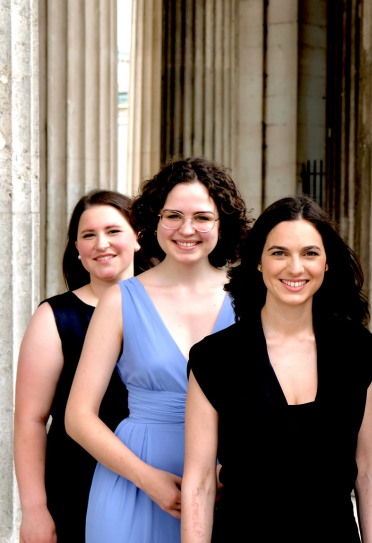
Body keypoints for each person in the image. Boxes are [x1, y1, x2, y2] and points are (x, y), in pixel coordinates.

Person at [66, 158, 251, 543]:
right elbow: (78, 417)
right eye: (173, 215)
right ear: (153, 220)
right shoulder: (120, 300)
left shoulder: (250, 300)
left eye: (202, 217)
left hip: (230, 486)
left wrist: (227, 473)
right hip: (134, 481)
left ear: (222, 224)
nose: (187, 229)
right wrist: (147, 479)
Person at [181, 196, 372, 543]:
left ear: (326, 263)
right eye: (279, 253)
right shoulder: (214, 358)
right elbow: (199, 480)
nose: (295, 268)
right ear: (258, 262)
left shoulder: (360, 350)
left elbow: (368, 468)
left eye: (309, 253)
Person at [14, 190, 138, 543]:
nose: (102, 243)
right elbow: (30, 419)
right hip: (75, 484)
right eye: (88, 235)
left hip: (159, 478)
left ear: (138, 238)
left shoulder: (166, 310)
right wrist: (35, 510)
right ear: (78, 250)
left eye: (114, 231)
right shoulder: (54, 317)